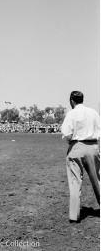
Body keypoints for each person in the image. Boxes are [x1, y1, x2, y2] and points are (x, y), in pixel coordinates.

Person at [61, 91, 100, 223]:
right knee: (98, 180)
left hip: (76, 147)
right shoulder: (93, 112)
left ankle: (74, 215)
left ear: (72, 100)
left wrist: (72, 142)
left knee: (74, 182)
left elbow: (66, 133)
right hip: (93, 147)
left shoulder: (71, 113)